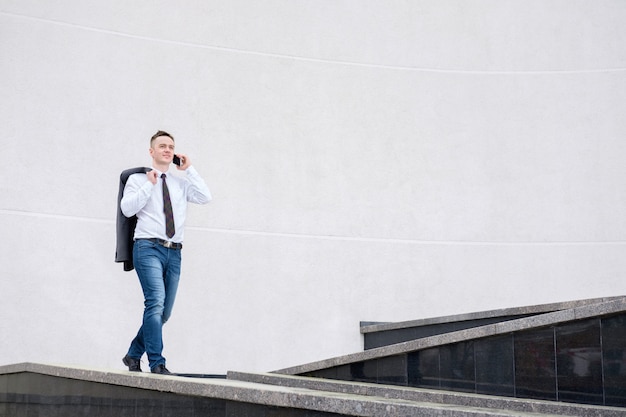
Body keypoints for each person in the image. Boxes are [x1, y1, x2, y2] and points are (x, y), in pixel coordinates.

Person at [120, 130, 212, 374]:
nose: (167, 149)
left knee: (164, 312)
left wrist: (189, 169)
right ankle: (157, 363)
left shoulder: (180, 184)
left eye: (171, 146)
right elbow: (127, 209)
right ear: (152, 151)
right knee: (155, 302)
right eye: (162, 146)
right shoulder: (138, 181)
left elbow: (205, 196)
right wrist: (149, 185)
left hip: (174, 252)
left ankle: (132, 354)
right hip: (147, 247)